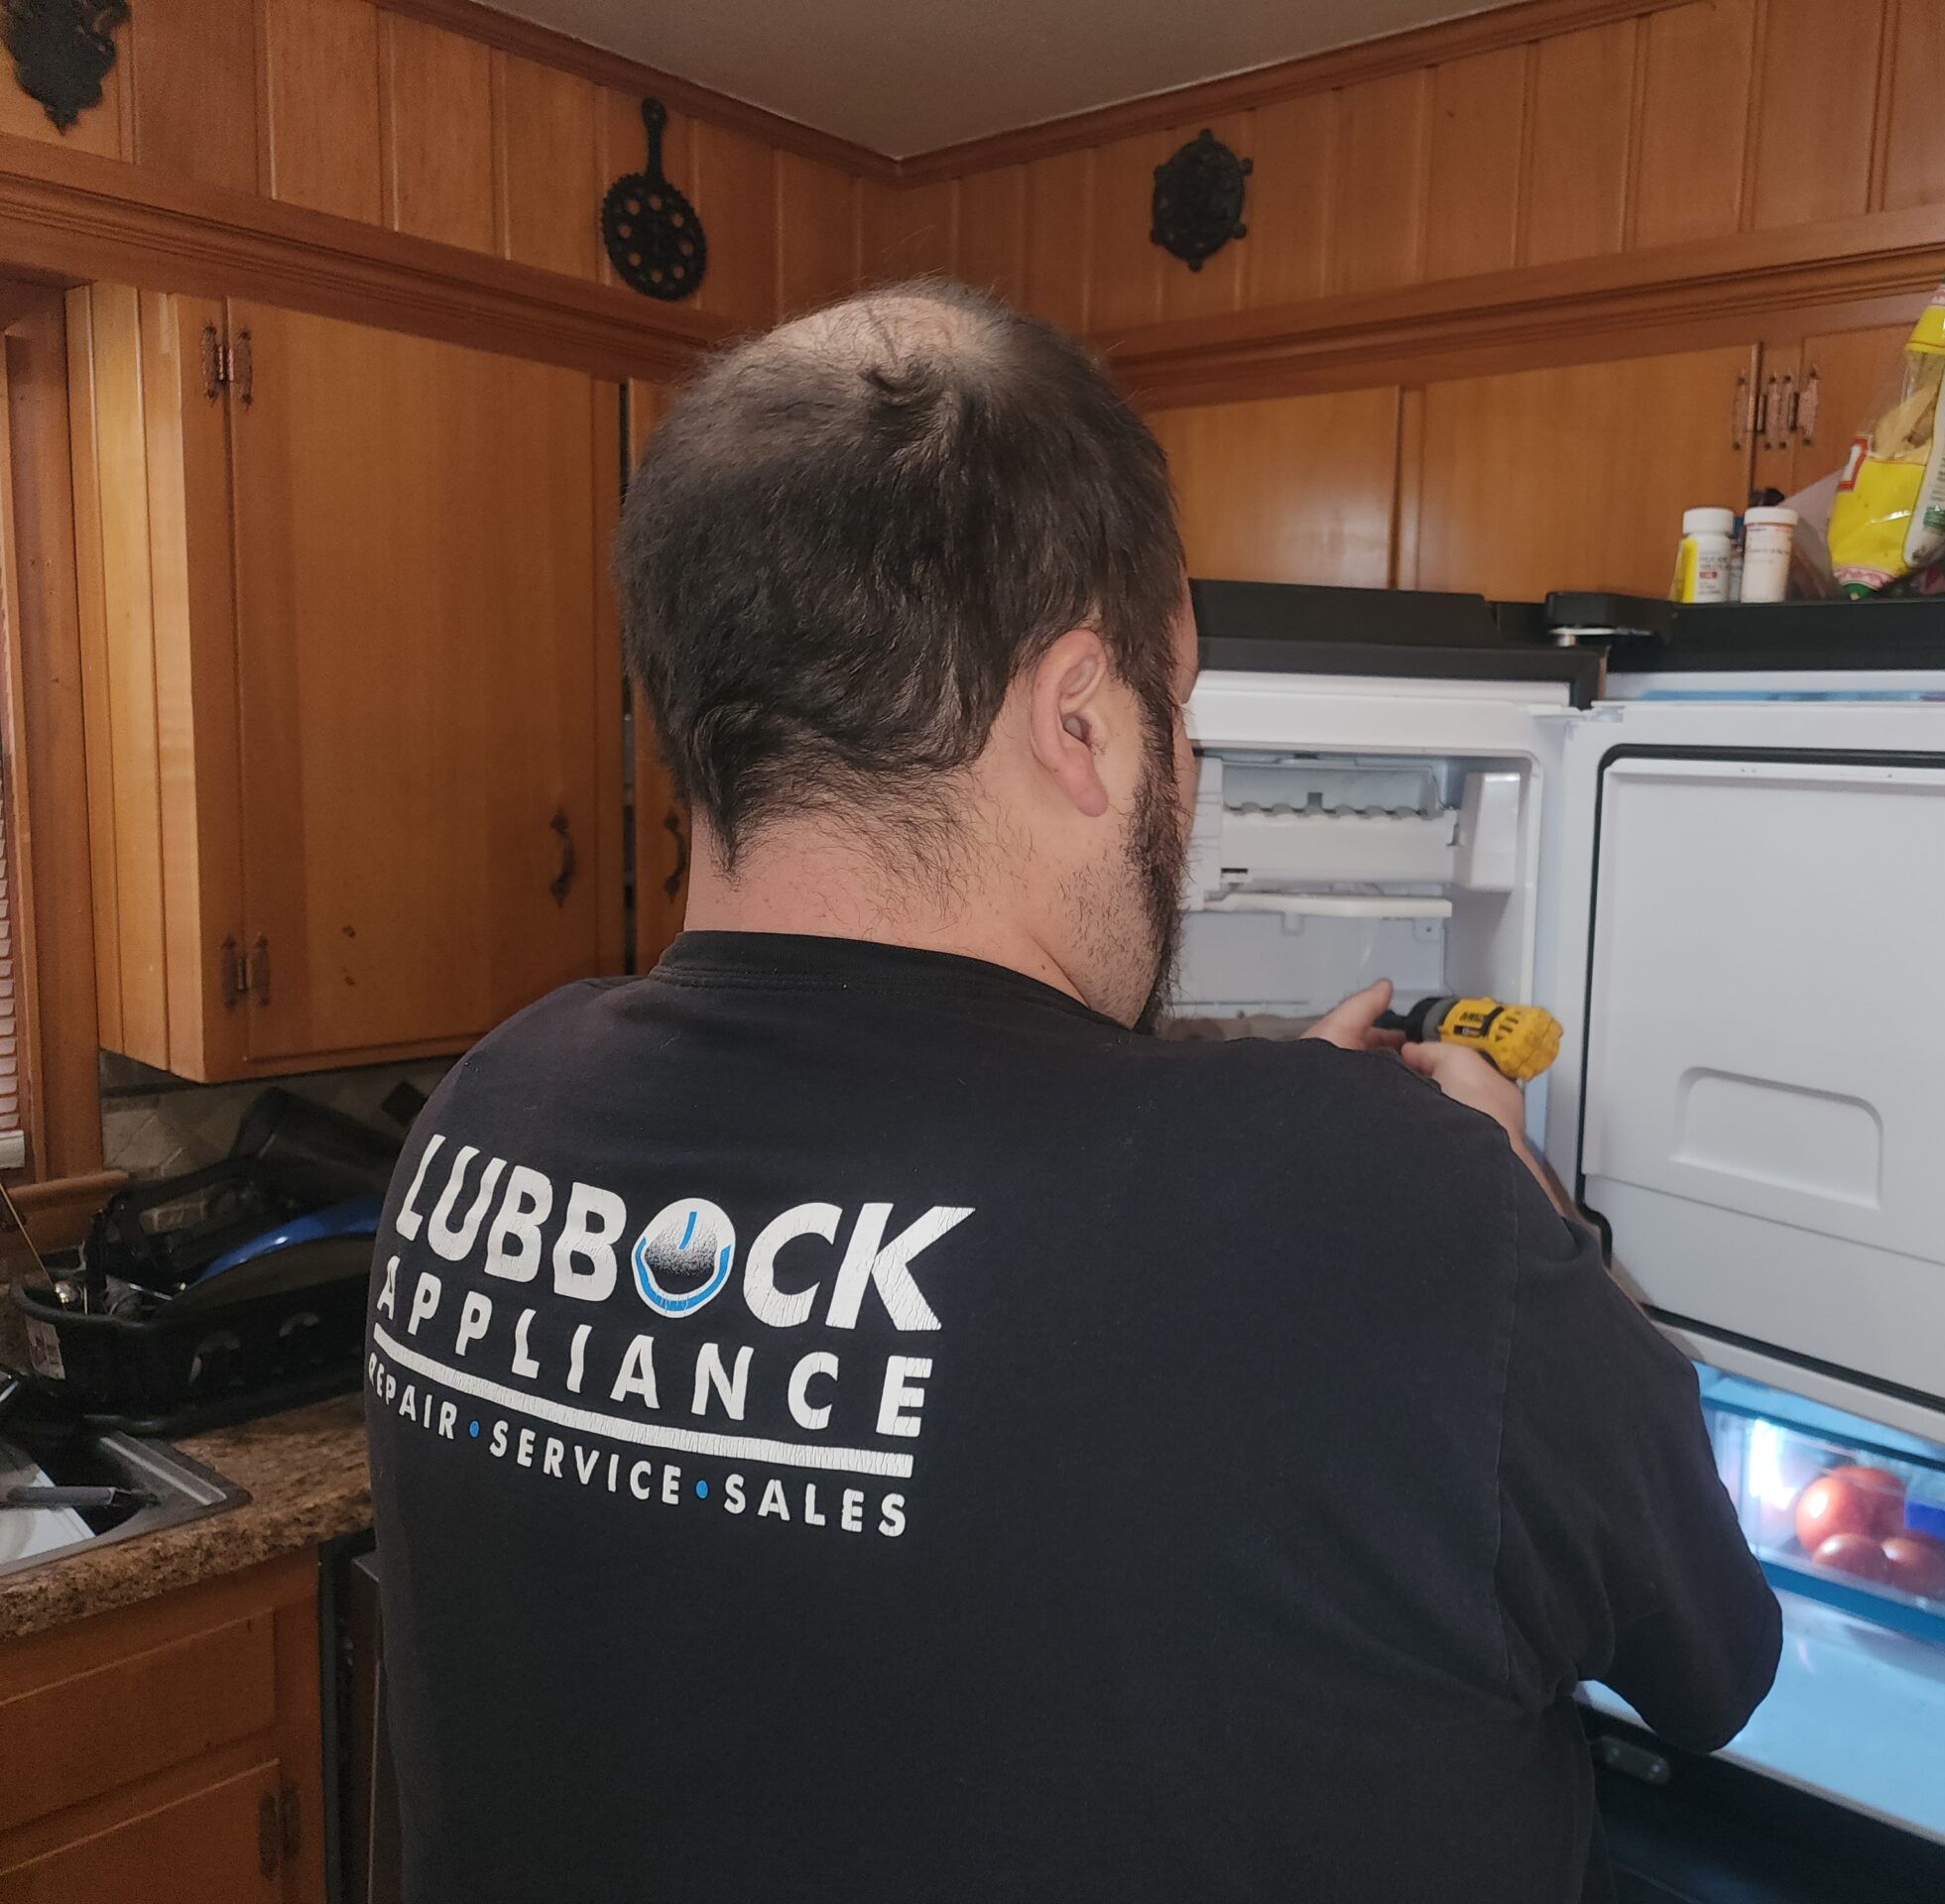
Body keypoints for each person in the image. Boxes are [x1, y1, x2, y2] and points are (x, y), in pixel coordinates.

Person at [364, 281, 1779, 1904]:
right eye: (1182, 713)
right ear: (1081, 717)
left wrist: (1277, 1161)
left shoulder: (485, 1115)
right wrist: (1494, 1207)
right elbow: (1711, 1656)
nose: (1187, 770)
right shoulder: (1396, 1218)